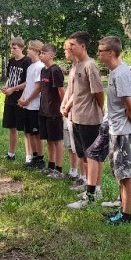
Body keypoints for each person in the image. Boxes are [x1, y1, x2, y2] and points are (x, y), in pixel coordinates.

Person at [97, 36, 131, 225]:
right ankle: (122, 208)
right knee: (119, 172)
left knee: (125, 173)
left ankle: (126, 215)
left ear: (111, 53)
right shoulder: (115, 72)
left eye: (101, 51)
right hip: (115, 128)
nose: (98, 54)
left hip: (123, 130)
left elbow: (130, 106)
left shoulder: (121, 74)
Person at [65, 31, 105, 208]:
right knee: (83, 155)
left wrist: (98, 109)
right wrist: (67, 107)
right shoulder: (77, 65)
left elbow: (98, 92)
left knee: (92, 156)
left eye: (72, 45)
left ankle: (96, 188)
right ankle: (89, 185)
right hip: (77, 117)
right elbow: (76, 92)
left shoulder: (90, 65)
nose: (70, 47)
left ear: (82, 46)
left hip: (90, 118)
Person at [37, 44, 65, 178]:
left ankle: (59, 169)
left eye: (44, 53)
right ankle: (51, 165)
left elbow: (61, 90)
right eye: (40, 53)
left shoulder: (55, 70)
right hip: (44, 110)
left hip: (54, 111)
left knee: (57, 140)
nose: (41, 55)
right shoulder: (43, 70)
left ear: (52, 54)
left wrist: (64, 106)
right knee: (49, 139)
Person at [1, 37, 30, 161]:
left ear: (21, 48)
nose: (12, 50)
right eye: (11, 48)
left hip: (21, 98)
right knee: (11, 127)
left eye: (15, 48)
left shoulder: (27, 61)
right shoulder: (11, 61)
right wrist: (6, 87)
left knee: (24, 129)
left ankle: (29, 157)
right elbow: (9, 78)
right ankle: (11, 154)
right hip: (10, 99)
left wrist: (14, 89)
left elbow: (28, 82)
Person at [18, 40, 45, 169]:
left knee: (36, 134)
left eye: (29, 48)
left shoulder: (40, 67)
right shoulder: (30, 67)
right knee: (29, 132)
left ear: (36, 51)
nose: (27, 50)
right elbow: (28, 85)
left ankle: (40, 159)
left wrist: (28, 100)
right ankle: (34, 157)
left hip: (35, 106)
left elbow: (38, 87)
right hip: (27, 105)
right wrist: (22, 99)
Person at [60, 39, 81, 184]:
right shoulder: (73, 67)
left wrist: (67, 106)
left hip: (78, 112)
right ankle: (73, 171)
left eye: (66, 48)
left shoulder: (82, 66)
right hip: (69, 112)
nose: (65, 51)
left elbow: (80, 91)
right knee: (70, 144)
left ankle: (83, 176)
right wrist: (63, 104)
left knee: (79, 147)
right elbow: (69, 89)